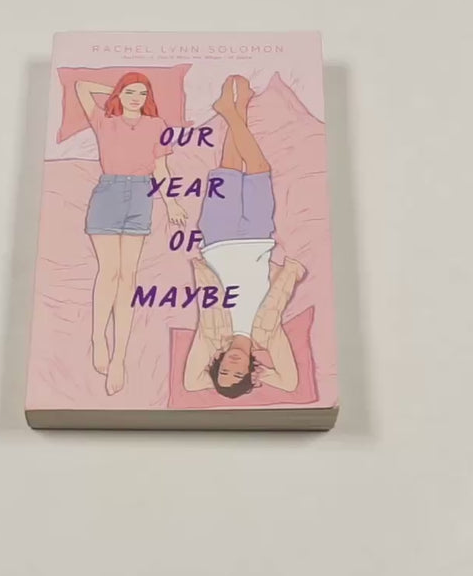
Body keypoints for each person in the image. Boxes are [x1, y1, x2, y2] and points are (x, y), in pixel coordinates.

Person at [183, 75, 307, 398]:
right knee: (258, 169)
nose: (233, 366)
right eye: (238, 373)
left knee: (229, 167)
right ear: (248, 371)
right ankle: (235, 108)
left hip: (217, 241)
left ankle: (235, 107)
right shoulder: (268, 336)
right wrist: (261, 376)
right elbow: (290, 382)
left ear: (217, 364)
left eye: (224, 371)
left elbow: (190, 383)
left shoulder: (211, 337)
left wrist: (224, 379)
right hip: (258, 239)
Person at [75, 72, 187, 395]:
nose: (136, 98)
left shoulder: (157, 125)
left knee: (129, 276)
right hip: (108, 193)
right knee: (109, 271)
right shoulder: (104, 120)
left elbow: (161, 169)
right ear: (119, 94)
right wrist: (113, 90)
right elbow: (81, 87)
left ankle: (119, 357)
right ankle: (99, 337)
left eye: (142, 93)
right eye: (129, 92)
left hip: (141, 195)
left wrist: (172, 203)